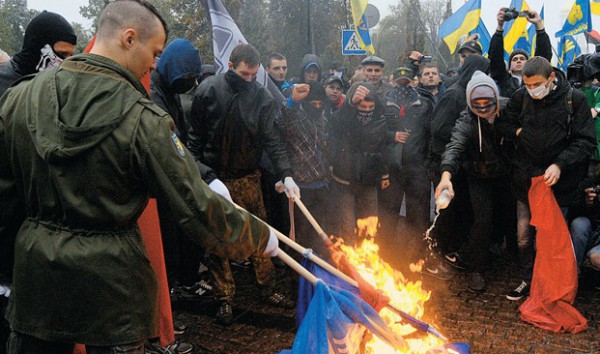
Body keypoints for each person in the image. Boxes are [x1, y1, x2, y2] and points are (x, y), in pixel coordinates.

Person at [0, 0, 279, 352]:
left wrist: (8, 271)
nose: (154, 64)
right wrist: (258, 236)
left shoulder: (20, 97)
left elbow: (4, 195)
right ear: (129, 38)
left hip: (36, 279)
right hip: (112, 285)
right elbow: (194, 207)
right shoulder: (143, 118)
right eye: (155, 52)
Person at [187, 43, 298, 325]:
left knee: (259, 231)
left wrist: (286, 173)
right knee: (216, 238)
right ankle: (224, 296)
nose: (248, 80)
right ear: (231, 65)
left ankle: (268, 288)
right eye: (243, 74)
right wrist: (204, 175)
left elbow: (273, 141)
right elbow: (194, 142)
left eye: (253, 75)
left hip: (248, 176)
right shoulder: (208, 91)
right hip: (215, 177)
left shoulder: (262, 98)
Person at [497, 56, 595, 300]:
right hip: (525, 181)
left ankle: (546, 285)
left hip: (558, 185)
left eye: (537, 85)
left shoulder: (575, 100)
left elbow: (585, 142)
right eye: (527, 85)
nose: (532, 91)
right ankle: (528, 279)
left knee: (548, 240)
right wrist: (517, 131)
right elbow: (502, 125)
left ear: (551, 78)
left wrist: (560, 164)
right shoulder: (521, 97)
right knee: (523, 237)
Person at [150, 38, 230, 304]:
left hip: (176, 173)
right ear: (172, 68)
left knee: (186, 237)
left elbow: (181, 135)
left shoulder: (169, 91)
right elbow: (170, 141)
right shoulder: (153, 94)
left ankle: (183, 281)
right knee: (170, 242)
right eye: (187, 76)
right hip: (161, 181)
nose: (191, 83)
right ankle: (170, 292)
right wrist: (206, 174)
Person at [435, 71, 515, 292]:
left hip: (507, 174)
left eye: (487, 103)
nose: (482, 109)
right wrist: (446, 176)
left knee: (513, 219)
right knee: (482, 221)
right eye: (476, 104)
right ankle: (477, 269)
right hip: (479, 177)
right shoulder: (467, 120)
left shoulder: (510, 109)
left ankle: (516, 264)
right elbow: (454, 147)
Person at [426, 55, 490, 278]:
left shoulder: (470, 93)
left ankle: (448, 252)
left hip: (459, 166)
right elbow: (438, 129)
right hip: (443, 163)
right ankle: (432, 258)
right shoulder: (454, 94)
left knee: (456, 213)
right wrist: (462, 139)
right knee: (445, 213)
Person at [379, 67, 434, 259]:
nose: (403, 86)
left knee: (418, 213)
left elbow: (431, 134)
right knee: (388, 213)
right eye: (400, 82)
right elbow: (376, 132)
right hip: (392, 167)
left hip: (416, 167)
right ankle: (387, 255)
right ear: (393, 81)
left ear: (414, 82)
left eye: (407, 82)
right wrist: (392, 136)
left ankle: (416, 256)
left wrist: (426, 163)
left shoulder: (425, 104)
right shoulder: (384, 102)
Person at [328, 82, 388, 243]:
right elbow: (335, 124)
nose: (366, 111)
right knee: (347, 227)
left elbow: (383, 149)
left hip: (369, 181)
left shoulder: (380, 121)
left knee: (369, 226)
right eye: (362, 107)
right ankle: (347, 264)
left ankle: (368, 262)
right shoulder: (345, 117)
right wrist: (351, 104)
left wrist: (384, 174)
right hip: (345, 180)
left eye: (370, 108)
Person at [277, 82, 331, 258]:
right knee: (300, 234)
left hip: (321, 185)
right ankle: (297, 275)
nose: (316, 107)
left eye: (319, 104)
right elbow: (283, 117)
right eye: (312, 104)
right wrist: (293, 101)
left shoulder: (323, 118)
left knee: (319, 233)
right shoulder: (295, 117)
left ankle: (317, 268)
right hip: (300, 186)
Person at [0, 10, 76, 97]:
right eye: (62, 54)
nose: (66, 62)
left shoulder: (60, 90)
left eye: (70, 56)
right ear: (38, 48)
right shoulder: (3, 81)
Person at [489, 8, 551, 98]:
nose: (518, 61)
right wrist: (499, 27)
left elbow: (543, 56)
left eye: (522, 59)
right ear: (509, 67)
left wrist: (539, 24)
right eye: (514, 59)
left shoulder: (535, 78)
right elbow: (495, 57)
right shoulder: (503, 79)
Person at [568, 166, 600, 277]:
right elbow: (572, 210)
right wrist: (586, 202)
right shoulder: (591, 182)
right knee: (579, 223)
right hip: (592, 233)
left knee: (597, 259)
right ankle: (573, 274)